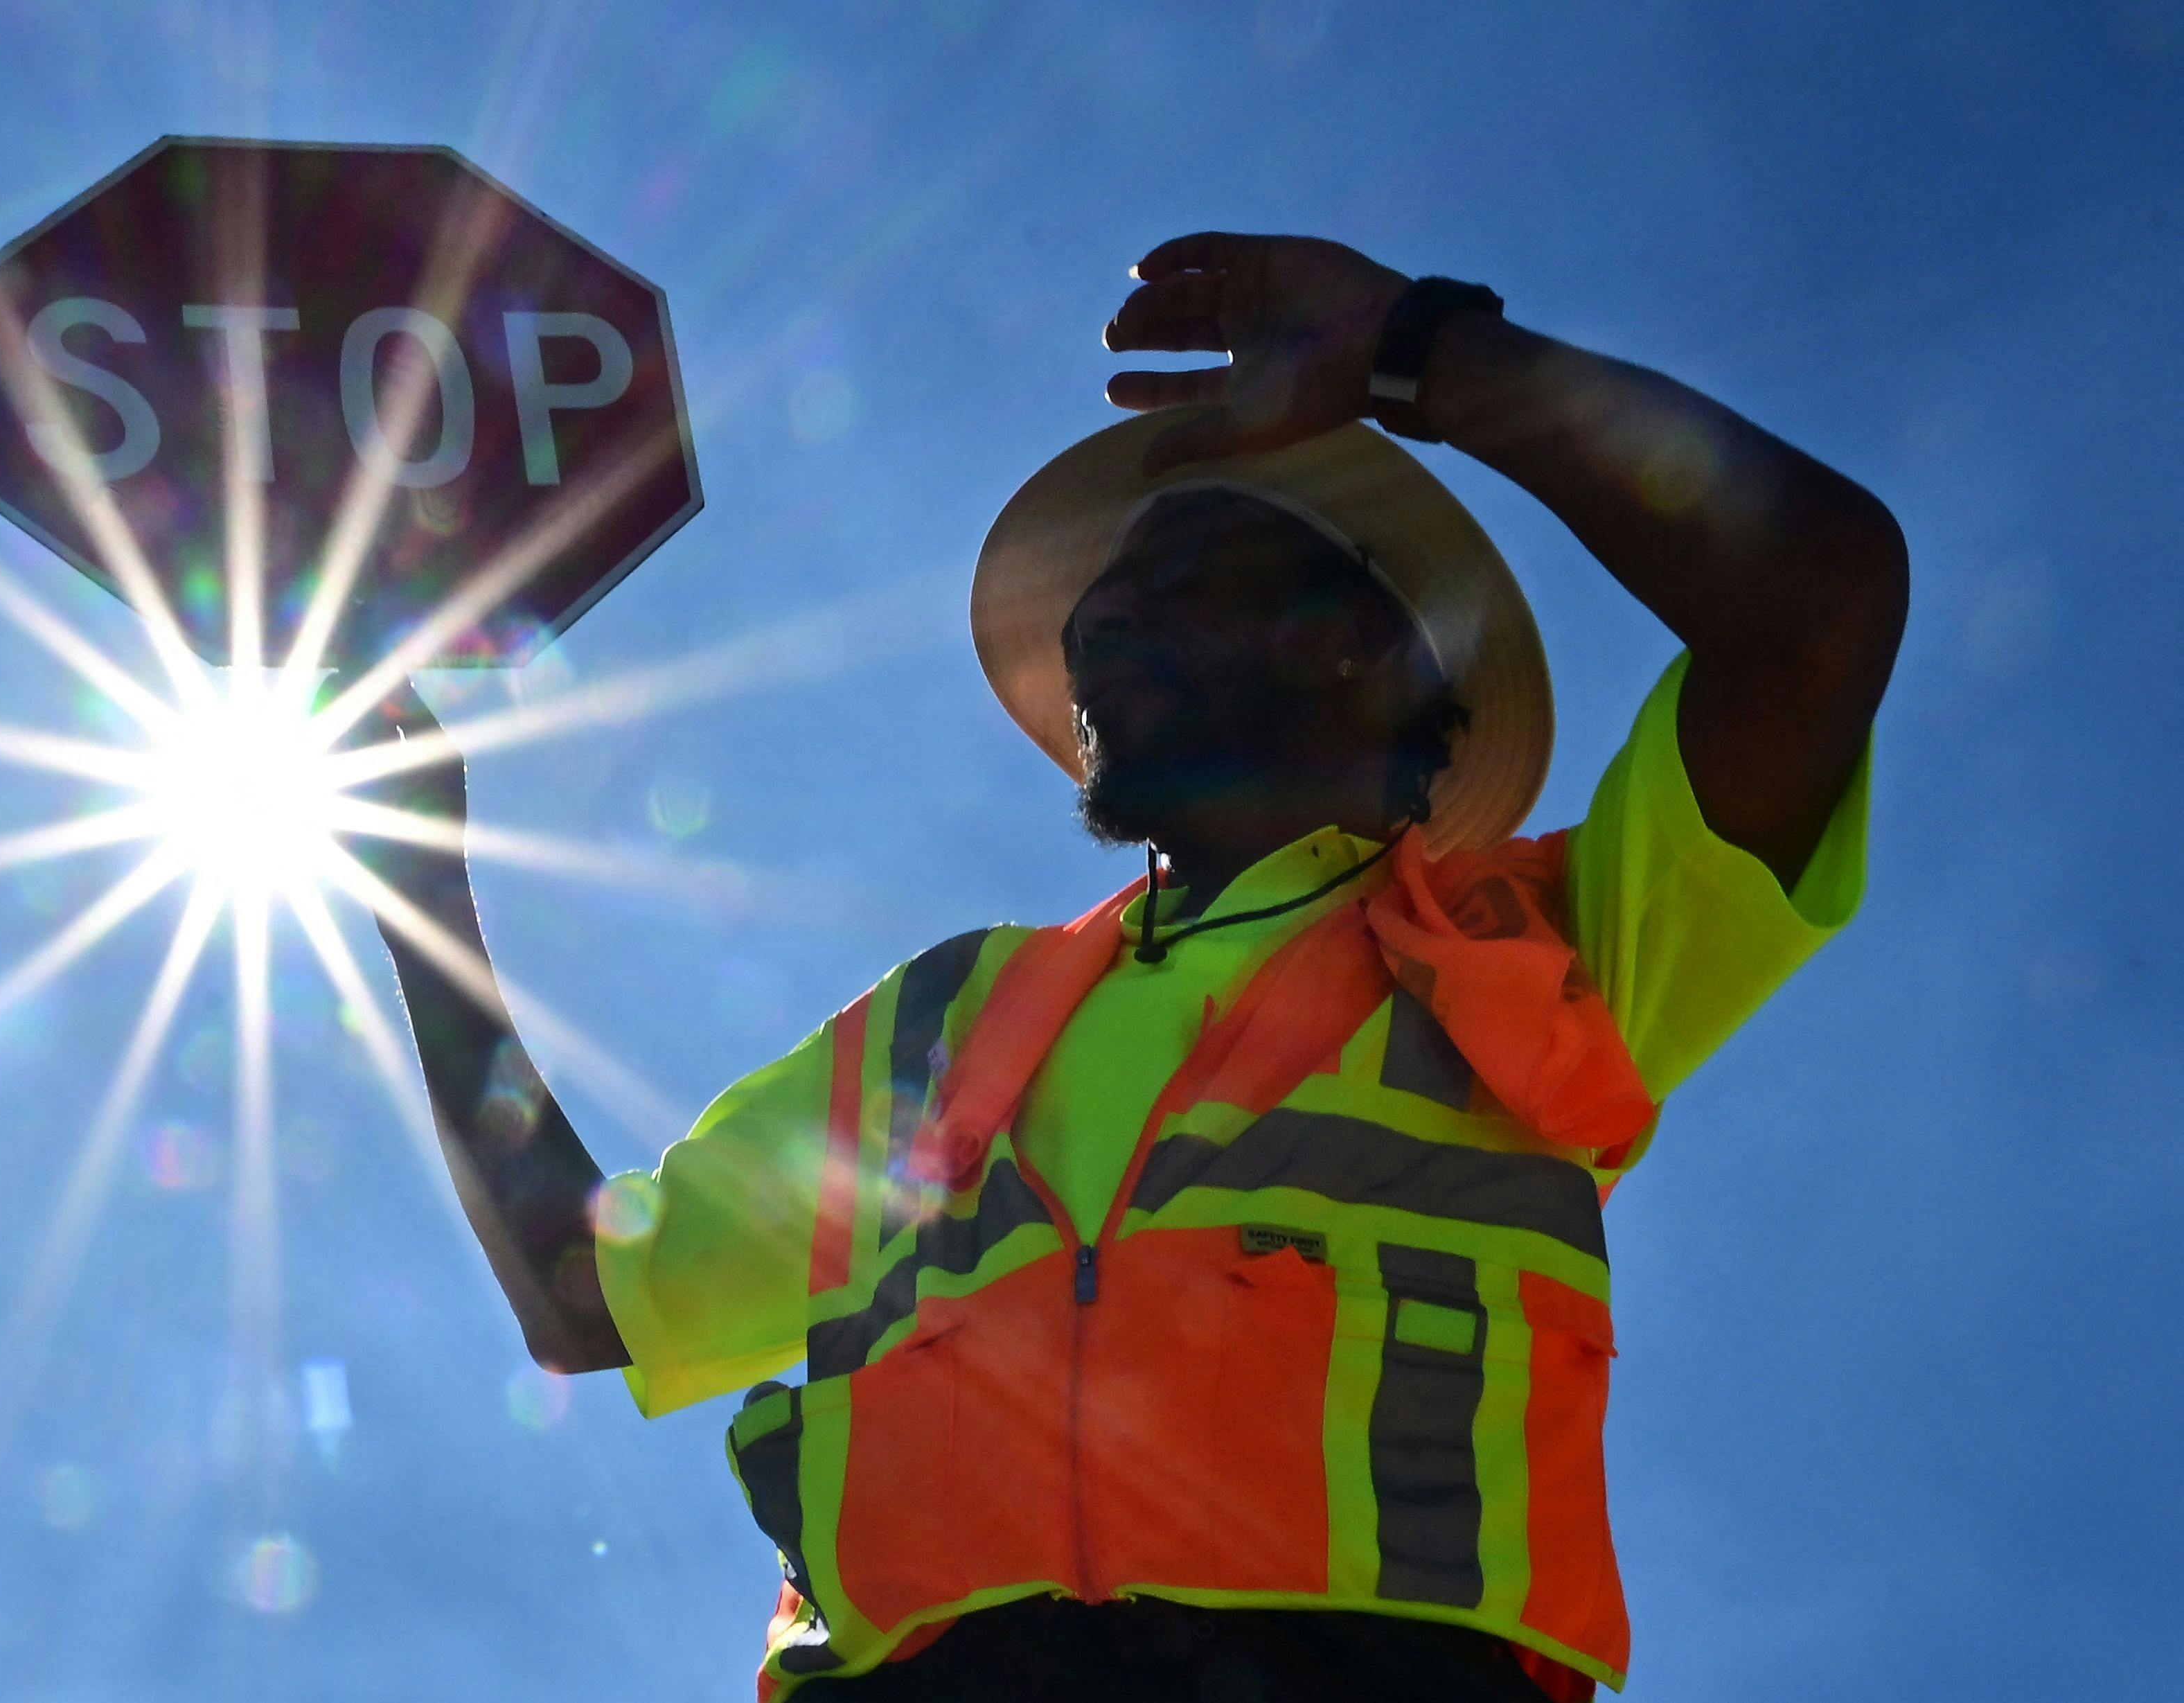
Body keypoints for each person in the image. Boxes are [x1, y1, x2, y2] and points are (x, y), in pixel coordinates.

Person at [349, 233, 1903, 1702]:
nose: (1096, 628)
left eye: (1179, 572)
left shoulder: (1539, 944)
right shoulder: (944, 1019)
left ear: (1365, 647)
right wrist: (422, 895)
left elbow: (1814, 599)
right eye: (1099, 606)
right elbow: (592, 1298)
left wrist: (1419, 353)